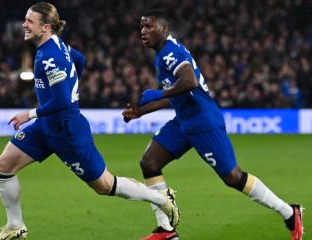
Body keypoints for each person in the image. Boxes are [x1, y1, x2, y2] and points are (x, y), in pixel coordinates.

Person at [0, 3, 180, 240]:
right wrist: (72, 85)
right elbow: (79, 60)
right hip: (47, 126)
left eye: (30, 21)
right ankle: (15, 226)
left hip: (68, 133)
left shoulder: (50, 57)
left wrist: (28, 114)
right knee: (3, 166)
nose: (24, 25)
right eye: (25, 19)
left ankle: (161, 198)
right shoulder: (52, 46)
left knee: (104, 185)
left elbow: (61, 102)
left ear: (46, 27)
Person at [123, 8, 304, 240]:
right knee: (149, 163)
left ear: (164, 29)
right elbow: (174, 95)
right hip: (184, 121)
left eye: (149, 26)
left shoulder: (170, 52)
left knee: (233, 177)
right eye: (141, 27)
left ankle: (289, 213)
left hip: (203, 121)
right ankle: (166, 230)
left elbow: (190, 81)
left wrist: (158, 93)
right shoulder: (161, 55)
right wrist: (141, 112)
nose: (143, 31)